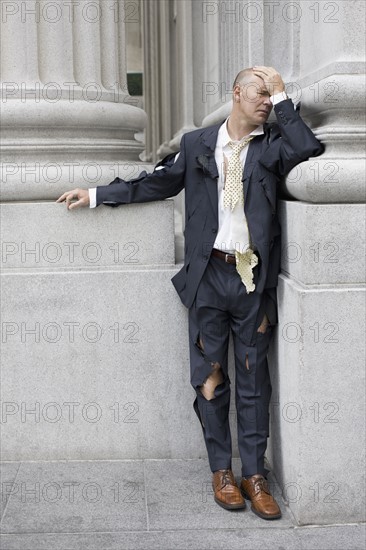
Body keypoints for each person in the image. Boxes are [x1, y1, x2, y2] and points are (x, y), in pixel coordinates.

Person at [57, 66, 324, 520]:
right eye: (261, 92)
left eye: (272, 95)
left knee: (255, 381)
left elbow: (307, 150)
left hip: (253, 281)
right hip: (208, 279)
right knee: (210, 376)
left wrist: (283, 101)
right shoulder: (198, 144)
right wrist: (98, 193)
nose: (267, 100)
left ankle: (254, 475)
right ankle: (222, 470)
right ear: (236, 93)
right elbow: (157, 182)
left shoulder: (273, 144)